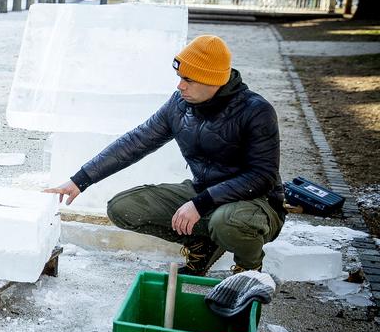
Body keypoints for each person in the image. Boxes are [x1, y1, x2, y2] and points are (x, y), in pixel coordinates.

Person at [44, 35, 284, 276]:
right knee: (123, 208)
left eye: (188, 79)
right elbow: (137, 141)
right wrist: (80, 180)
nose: (180, 85)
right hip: (204, 192)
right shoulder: (180, 104)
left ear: (213, 80)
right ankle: (201, 244)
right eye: (180, 78)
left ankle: (248, 271)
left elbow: (262, 176)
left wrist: (200, 204)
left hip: (256, 203)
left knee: (228, 222)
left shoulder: (256, 111)